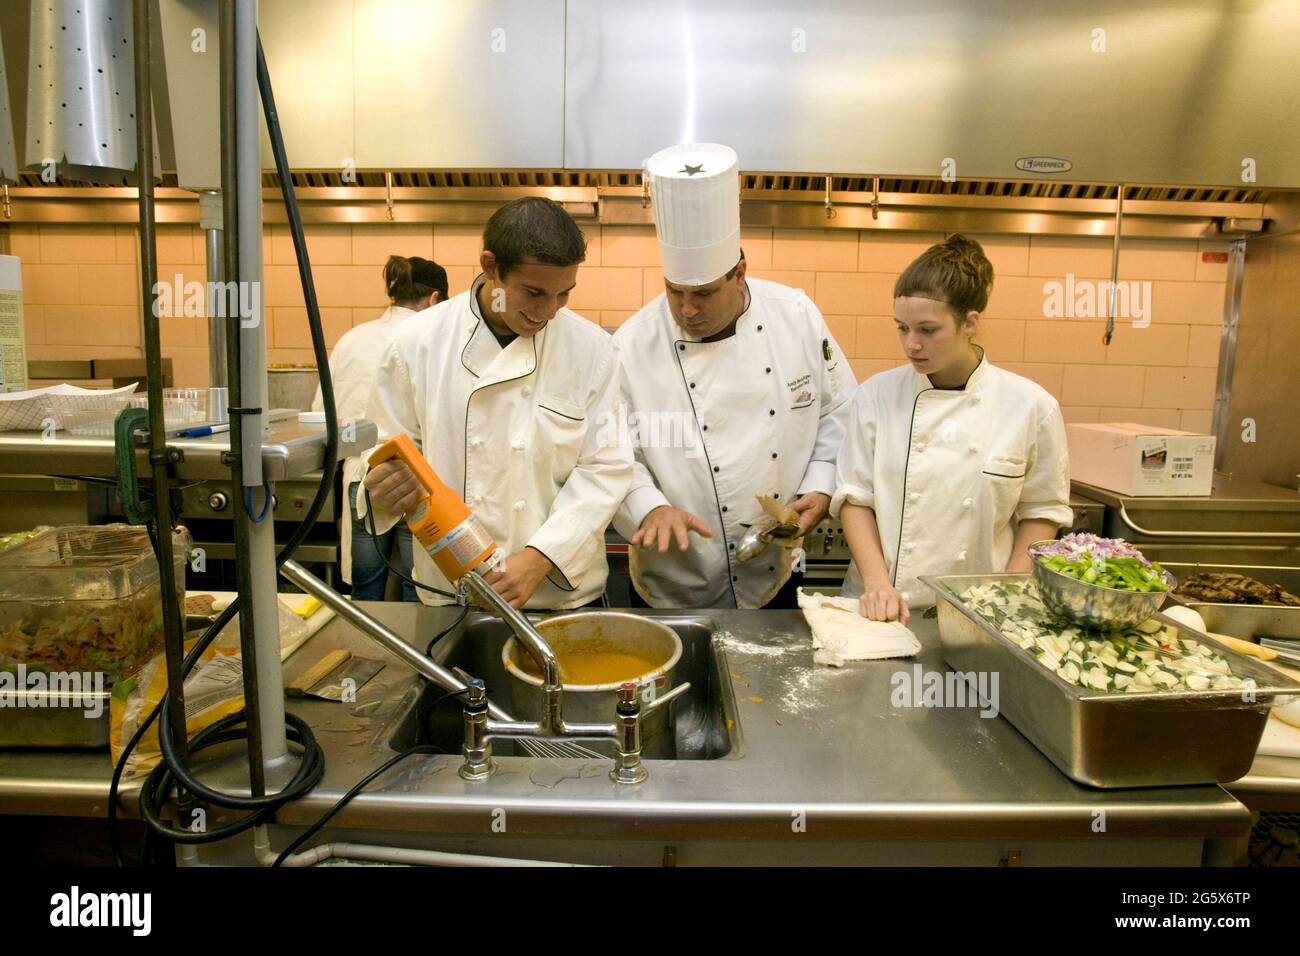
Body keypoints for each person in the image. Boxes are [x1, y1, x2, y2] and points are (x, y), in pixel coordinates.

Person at [611, 143, 857, 609]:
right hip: (671, 581)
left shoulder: (796, 317)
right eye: (674, 291)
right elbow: (613, 451)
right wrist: (651, 506)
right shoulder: (630, 345)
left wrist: (821, 484)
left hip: (774, 574)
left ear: (739, 273)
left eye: (703, 293)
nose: (687, 309)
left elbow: (840, 411)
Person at [359, 198, 632, 610]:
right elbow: (384, 450)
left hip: (560, 595)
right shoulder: (417, 343)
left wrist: (540, 558)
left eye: (564, 294)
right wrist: (380, 486)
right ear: (490, 265)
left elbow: (605, 468)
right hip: (451, 595)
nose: (550, 312)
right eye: (534, 292)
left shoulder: (593, 350)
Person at [832, 234, 1072, 623]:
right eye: (902, 328)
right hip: (880, 606)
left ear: (969, 323)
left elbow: (1041, 509)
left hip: (981, 612)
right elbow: (855, 497)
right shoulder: (876, 395)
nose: (912, 345)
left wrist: (1014, 584)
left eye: (928, 330)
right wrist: (876, 583)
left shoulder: (1030, 406)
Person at [313, 255, 448, 601]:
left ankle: (365, 652)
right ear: (434, 299)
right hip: (413, 478)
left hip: (362, 476)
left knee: (367, 588)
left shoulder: (353, 338)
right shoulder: (430, 342)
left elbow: (320, 412)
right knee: (416, 584)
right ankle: (415, 654)